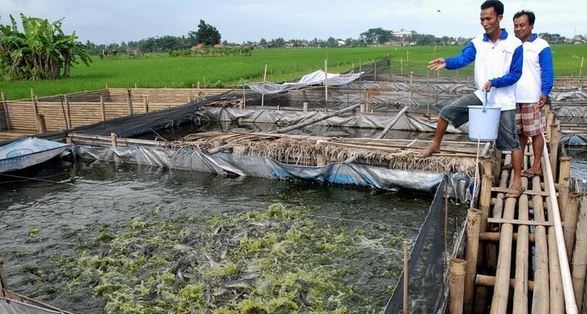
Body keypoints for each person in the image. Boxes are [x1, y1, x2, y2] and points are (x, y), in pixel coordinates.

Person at [420, 0, 525, 198]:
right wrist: (447, 62)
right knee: (446, 112)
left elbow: (516, 74)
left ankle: (518, 181)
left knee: (510, 142)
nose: (484, 23)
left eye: (488, 18)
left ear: (499, 18)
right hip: (481, 95)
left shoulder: (514, 44)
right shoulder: (477, 42)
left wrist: (494, 81)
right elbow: (463, 59)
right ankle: (435, 145)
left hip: (504, 101)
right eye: (481, 19)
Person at [513, 10, 554, 178]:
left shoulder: (541, 45)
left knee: (535, 132)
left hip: (532, 97)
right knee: (519, 133)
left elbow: (548, 71)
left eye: (522, 25)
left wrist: (545, 92)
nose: (518, 29)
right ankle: (518, 163)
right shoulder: (512, 44)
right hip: (514, 97)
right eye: (516, 26)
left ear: (531, 25)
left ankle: (536, 165)